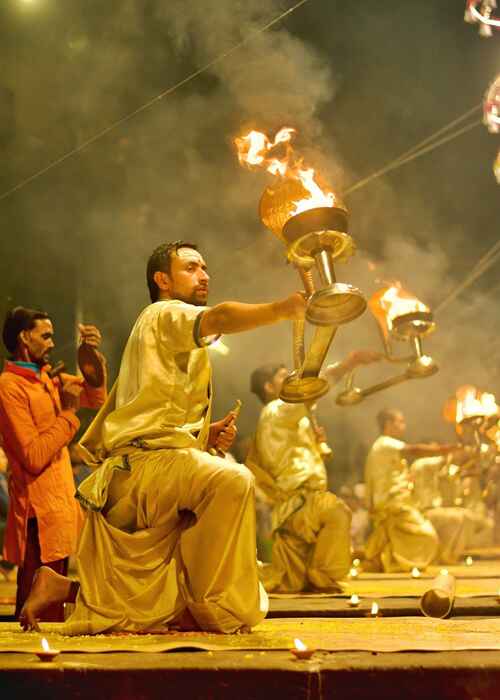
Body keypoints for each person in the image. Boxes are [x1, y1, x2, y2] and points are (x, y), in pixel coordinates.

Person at [19, 240, 307, 635]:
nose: (204, 275)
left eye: (205, 268)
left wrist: (205, 437)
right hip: (140, 472)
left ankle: (66, 588)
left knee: (147, 590)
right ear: (163, 280)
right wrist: (282, 310)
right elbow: (221, 316)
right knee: (231, 480)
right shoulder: (164, 312)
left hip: (145, 470)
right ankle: (209, 610)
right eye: (191, 268)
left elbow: (154, 417)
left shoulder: (164, 332)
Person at [0, 307, 107, 620]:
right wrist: (69, 415)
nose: (51, 342)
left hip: (58, 509)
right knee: (36, 616)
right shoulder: (10, 388)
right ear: (24, 337)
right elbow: (33, 456)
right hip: (36, 517)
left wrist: (90, 355)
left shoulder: (45, 379)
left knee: (53, 615)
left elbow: (95, 394)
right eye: (45, 335)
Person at [246, 351, 380, 593]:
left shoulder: (289, 417)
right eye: (284, 378)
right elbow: (311, 390)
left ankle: (314, 576)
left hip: (298, 501)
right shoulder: (277, 409)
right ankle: (323, 577)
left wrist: (317, 444)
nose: (293, 383)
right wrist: (348, 363)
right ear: (269, 387)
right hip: (298, 497)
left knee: (292, 582)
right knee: (337, 512)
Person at [364, 408, 456, 572]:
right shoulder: (385, 442)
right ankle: (404, 565)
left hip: (393, 501)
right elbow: (415, 450)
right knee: (428, 536)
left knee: (391, 540)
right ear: (388, 424)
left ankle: (389, 564)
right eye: (400, 421)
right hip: (393, 502)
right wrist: (447, 449)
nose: (403, 425)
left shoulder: (384, 445)